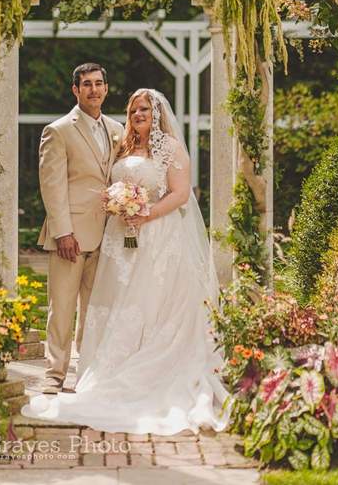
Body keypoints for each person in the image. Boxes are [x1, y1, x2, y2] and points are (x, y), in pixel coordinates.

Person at [24, 88, 228, 434]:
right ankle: (103, 366)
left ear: (158, 113)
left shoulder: (171, 149)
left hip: (157, 238)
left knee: (151, 301)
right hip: (118, 239)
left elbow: (180, 194)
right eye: (133, 109)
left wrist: (145, 213)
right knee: (115, 301)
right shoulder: (123, 144)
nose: (138, 115)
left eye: (145, 109)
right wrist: (119, 204)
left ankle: (150, 366)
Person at [36, 63, 123, 394]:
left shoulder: (116, 129)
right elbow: (52, 184)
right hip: (70, 235)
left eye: (99, 83)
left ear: (106, 87)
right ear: (75, 90)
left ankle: (85, 370)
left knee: (94, 308)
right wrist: (62, 232)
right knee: (61, 306)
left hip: (108, 233)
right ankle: (53, 373)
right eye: (86, 84)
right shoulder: (58, 130)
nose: (94, 90)